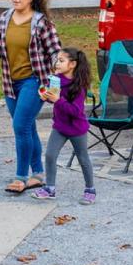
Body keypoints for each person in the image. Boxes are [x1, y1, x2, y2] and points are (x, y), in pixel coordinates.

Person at [0, 0, 63, 194]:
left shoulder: (41, 23)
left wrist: (57, 77)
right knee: (28, 126)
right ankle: (38, 174)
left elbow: (56, 52)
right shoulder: (4, 19)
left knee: (20, 126)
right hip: (11, 84)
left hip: (34, 82)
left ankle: (20, 177)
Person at [33, 47, 96, 205]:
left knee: (83, 158)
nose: (57, 63)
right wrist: (45, 96)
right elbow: (53, 98)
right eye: (57, 60)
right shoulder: (56, 79)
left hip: (77, 129)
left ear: (72, 64)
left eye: (61, 61)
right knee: (50, 155)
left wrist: (57, 100)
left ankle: (90, 189)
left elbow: (75, 111)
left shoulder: (79, 86)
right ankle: (50, 188)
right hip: (60, 127)